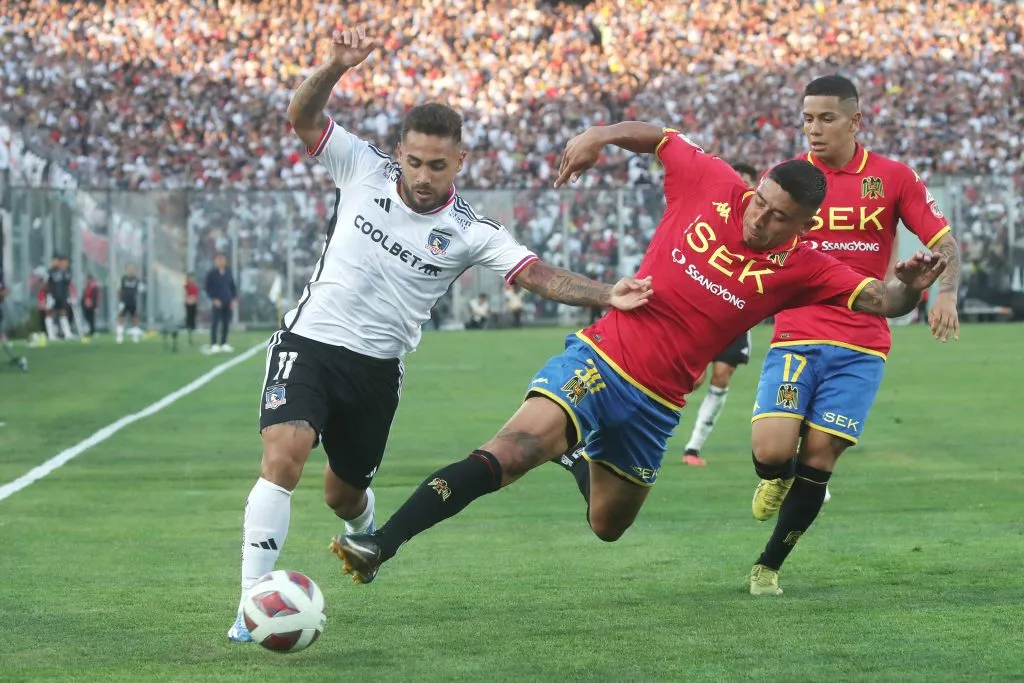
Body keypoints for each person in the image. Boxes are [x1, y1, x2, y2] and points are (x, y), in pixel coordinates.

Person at [330, 120, 947, 586]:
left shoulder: (808, 267)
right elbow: (660, 139)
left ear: (805, 226)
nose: (759, 218)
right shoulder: (713, 182)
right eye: (760, 200)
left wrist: (911, 287)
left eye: (778, 216)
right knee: (514, 449)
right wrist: (599, 136)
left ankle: (573, 454)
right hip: (602, 358)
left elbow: (885, 301)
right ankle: (380, 544)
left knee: (608, 524)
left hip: (658, 403)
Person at [228, 27, 652, 643]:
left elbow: (536, 273)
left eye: (437, 164)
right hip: (310, 344)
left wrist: (605, 292)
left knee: (343, 495)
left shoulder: (470, 230)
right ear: (398, 152)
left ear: (460, 162)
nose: (422, 175)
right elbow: (303, 117)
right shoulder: (360, 166)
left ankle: (363, 531)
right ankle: (250, 605)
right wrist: (335, 66)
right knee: (282, 457)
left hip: (376, 371)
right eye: (414, 161)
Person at [746, 75, 961, 596]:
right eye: (807, 119)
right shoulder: (787, 178)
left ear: (855, 121)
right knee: (771, 453)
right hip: (797, 333)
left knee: (820, 458)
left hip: (862, 345)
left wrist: (946, 294)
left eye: (827, 118)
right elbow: (752, 241)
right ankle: (777, 475)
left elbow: (944, 242)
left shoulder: (892, 178)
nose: (814, 129)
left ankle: (768, 566)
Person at [681, 162, 760, 466]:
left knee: (721, 375)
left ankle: (693, 448)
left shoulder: (763, 223)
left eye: (747, 180)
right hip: (704, 308)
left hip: (736, 312)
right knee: (693, 380)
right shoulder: (715, 211)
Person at [205, 253, 236, 353]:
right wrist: (214, 299)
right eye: (219, 259)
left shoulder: (228, 273)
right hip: (217, 302)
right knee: (215, 323)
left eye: (222, 259)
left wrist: (233, 299)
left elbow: (232, 287)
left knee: (226, 323)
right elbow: (208, 288)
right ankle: (214, 343)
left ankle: (224, 342)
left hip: (227, 301)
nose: (221, 262)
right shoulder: (211, 274)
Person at [44, 255, 74, 340]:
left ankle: (67, 333)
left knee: (63, 312)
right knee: (50, 313)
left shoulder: (67, 272)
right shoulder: (51, 272)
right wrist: (47, 295)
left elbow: (67, 285)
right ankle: (51, 334)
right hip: (52, 295)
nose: (66, 264)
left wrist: (68, 295)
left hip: (62, 296)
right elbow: (46, 284)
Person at [116, 264, 142, 344]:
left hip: (132, 301)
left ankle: (135, 336)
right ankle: (119, 336)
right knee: (121, 317)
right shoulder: (123, 279)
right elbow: (120, 289)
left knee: (134, 318)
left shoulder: (136, 279)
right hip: (124, 301)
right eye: (129, 269)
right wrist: (120, 299)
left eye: (132, 269)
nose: (131, 270)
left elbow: (138, 290)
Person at [184, 273, 199, 344]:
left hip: (194, 304)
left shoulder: (195, 287)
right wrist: (189, 299)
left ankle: (193, 331)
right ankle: (189, 332)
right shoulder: (186, 287)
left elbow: (196, 296)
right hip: (188, 304)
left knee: (193, 317)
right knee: (189, 318)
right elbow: (185, 295)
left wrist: (193, 300)